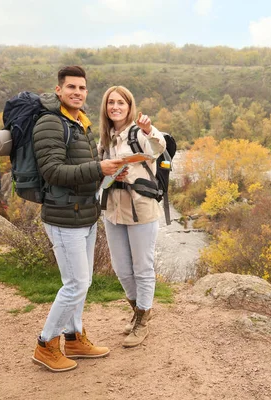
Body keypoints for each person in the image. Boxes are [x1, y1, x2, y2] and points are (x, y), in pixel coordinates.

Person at [31, 66, 128, 372]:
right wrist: (100, 168)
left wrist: (109, 172)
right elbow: (53, 171)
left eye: (82, 88)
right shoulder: (49, 123)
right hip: (63, 217)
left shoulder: (80, 123)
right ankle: (46, 344)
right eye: (71, 87)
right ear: (59, 90)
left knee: (81, 284)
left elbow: (85, 169)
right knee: (76, 283)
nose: (77, 92)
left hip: (84, 214)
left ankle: (73, 337)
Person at [98, 85, 166, 347]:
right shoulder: (105, 137)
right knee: (122, 269)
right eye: (111, 102)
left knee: (142, 267)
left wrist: (149, 129)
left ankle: (142, 322)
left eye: (121, 103)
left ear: (129, 107)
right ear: (106, 107)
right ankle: (140, 310)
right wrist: (108, 173)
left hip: (141, 209)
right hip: (113, 209)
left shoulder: (139, 133)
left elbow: (158, 148)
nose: (115, 107)